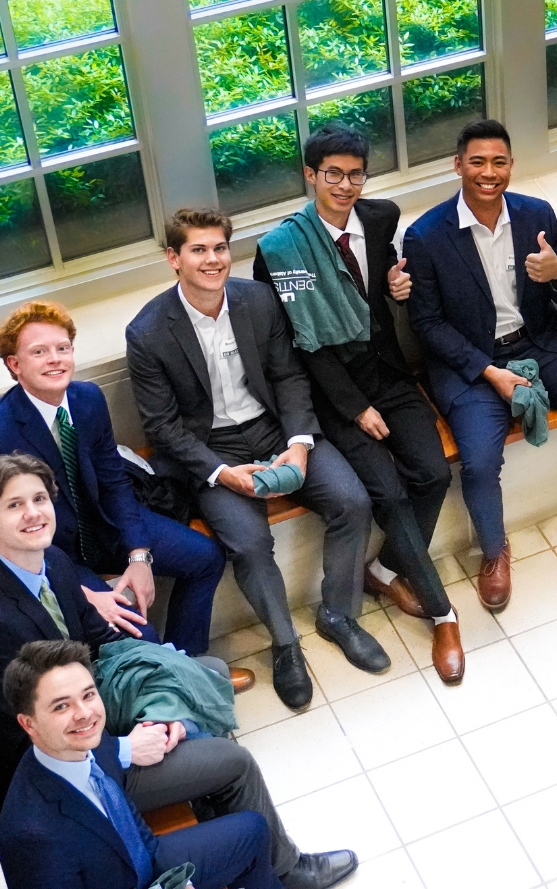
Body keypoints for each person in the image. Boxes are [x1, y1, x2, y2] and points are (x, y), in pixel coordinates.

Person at [0, 454, 354, 888]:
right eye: (15, 505)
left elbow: (99, 640)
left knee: (207, 671)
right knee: (235, 761)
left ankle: (215, 813)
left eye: (39, 498)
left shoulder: (50, 560)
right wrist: (126, 748)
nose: (34, 513)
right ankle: (285, 868)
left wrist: (163, 693)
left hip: (87, 711)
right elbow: (23, 740)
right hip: (72, 767)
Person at [126, 209, 381, 709]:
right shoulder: (148, 331)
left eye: (219, 248)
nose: (212, 259)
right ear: (174, 258)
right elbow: (163, 427)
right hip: (211, 450)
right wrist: (221, 473)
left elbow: (288, 376)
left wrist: (299, 443)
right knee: (248, 543)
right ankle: (286, 644)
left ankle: (338, 615)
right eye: (198, 250)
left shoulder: (258, 300)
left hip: (273, 429)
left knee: (352, 501)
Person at [403, 119, 557, 611]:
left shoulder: (535, 213)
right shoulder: (425, 236)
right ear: (458, 165)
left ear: (511, 165)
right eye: (477, 162)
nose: (488, 172)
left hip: (540, 342)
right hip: (472, 364)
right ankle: (494, 551)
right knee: (478, 463)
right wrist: (489, 372)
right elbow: (427, 325)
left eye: (498, 162)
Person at [254, 123, 462, 683]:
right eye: (333, 174)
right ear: (310, 175)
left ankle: (385, 568)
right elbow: (302, 344)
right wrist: (354, 408)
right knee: (387, 493)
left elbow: (383, 278)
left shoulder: (380, 217)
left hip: (387, 371)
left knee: (433, 474)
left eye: (355, 175)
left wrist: (396, 285)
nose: (345, 185)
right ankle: (443, 614)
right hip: (332, 393)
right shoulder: (281, 250)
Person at [0, 301, 228, 662]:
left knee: (206, 557)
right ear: (15, 364)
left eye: (62, 348)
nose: (55, 359)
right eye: (39, 352)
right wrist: (80, 596)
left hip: (102, 524)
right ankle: (165, 673)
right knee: (139, 633)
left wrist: (139, 555)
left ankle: (187, 665)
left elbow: (114, 481)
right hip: (47, 553)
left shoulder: (88, 398)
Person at [0, 639, 285, 889]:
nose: (84, 713)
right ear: (28, 724)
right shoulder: (33, 839)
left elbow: (133, 830)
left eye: (88, 695)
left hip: (143, 860)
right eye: (61, 706)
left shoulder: (87, 745)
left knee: (253, 831)